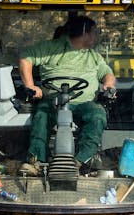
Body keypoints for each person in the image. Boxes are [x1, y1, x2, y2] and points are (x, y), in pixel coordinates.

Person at [18, 15, 116, 175]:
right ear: (84, 32)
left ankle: (80, 161)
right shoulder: (51, 48)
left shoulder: (93, 56)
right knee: (41, 115)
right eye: (93, 32)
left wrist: (108, 85)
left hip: (83, 104)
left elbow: (107, 73)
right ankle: (36, 162)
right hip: (53, 101)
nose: (95, 37)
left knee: (98, 114)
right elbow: (25, 58)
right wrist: (30, 86)